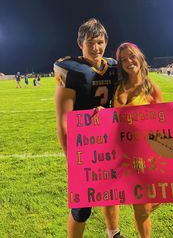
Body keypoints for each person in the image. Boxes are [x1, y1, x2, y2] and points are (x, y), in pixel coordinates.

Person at [54, 18, 124, 238]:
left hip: (108, 142)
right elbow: (63, 121)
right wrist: (71, 159)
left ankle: (113, 232)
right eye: (91, 42)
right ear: (80, 44)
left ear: (106, 42)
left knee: (111, 192)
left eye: (100, 42)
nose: (96, 47)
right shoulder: (70, 69)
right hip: (83, 147)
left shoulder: (113, 66)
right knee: (82, 208)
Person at [112, 42, 173, 238]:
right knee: (140, 208)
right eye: (123, 59)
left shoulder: (152, 88)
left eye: (131, 56)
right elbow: (113, 122)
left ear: (139, 57)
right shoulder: (119, 89)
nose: (128, 61)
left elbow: (162, 122)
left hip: (149, 157)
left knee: (143, 209)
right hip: (128, 157)